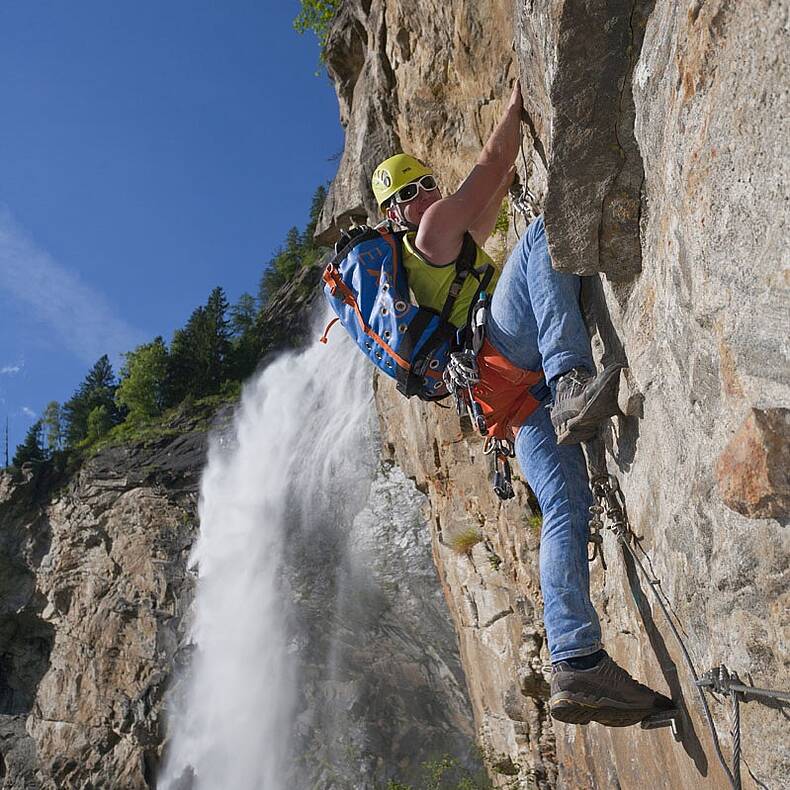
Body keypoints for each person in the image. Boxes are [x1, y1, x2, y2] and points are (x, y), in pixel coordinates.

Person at [369, 80, 673, 726]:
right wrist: (520, 100)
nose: (428, 195)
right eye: (417, 189)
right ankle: (570, 379)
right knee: (539, 238)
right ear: (399, 208)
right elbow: (490, 169)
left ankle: (576, 659)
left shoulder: (436, 253)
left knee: (565, 506)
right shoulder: (430, 230)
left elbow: (491, 193)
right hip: (509, 370)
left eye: (425, 186)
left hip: (501, 403)